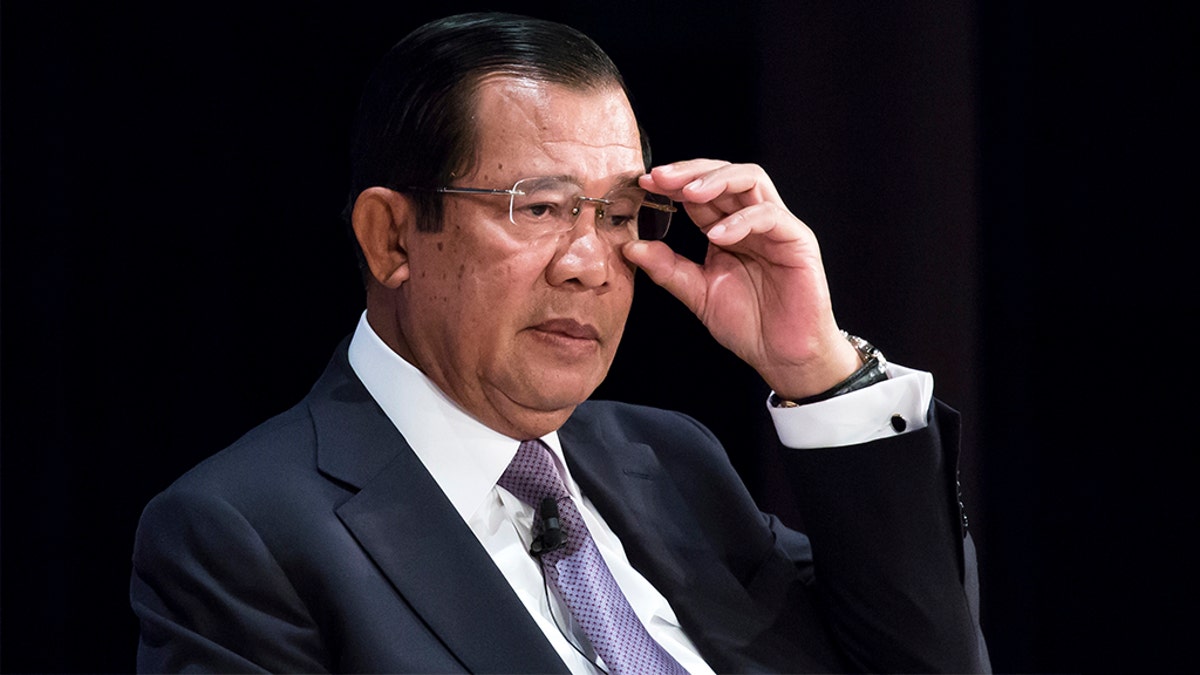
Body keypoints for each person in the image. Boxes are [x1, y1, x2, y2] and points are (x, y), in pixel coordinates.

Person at [130, 12, 990, 674]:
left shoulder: (668, 460)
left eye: (617, 215)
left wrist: (818, 373)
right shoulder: (245, 536)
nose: (590, 263)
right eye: (538, 208)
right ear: (392, 236)